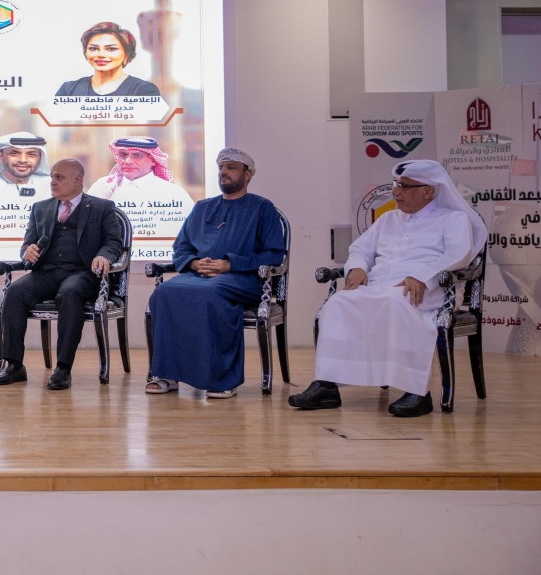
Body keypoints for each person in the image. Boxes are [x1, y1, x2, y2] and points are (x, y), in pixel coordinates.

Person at [289, 160, 487, 417]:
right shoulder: (388, 219)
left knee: (397, 301)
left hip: (429, 288)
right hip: (381, 284)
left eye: (404, 186)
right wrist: (358, 268)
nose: (395, 192)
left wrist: (421, 276)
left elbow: (458, 255)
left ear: (428, 191)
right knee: (338, 303)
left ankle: (417, 392)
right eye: (396, 185)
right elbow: (360, 249)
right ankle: (327, 385)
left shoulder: (453, 219)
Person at [146, 148, 286, 399]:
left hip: (244, 279)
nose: (224, 172)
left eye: (231, 167)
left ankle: (221, 380)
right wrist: (194, 263)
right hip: (198, 276)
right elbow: (181, 247)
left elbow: (274, 255)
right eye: (221, 167)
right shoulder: (201, 208)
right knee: (163, 293)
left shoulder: (263, 208)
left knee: (212, 293)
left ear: (248, 174)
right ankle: (167, 374)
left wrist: (229, 264)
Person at [0, 159, 125, 390]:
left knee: (69, 293)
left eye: (59, 177)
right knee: (14, 293)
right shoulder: (40, 208)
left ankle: (63, 368)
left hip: (83, 273)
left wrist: (104, 256)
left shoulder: (103, 208)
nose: (52, 182)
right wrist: (28, 252)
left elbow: (113, 242)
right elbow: (27, 245)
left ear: (78, 179)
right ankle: (14, 365)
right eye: (52, 177)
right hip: (47, 272)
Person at [88, 136, 194, 236]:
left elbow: (190, 235)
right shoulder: (101, 188)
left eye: (137, 155)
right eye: (123, 155)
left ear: (153, 160)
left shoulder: (175, 194)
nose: (128, 161)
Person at [54, 21, 161, 97]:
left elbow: (145, 128)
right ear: (86, 52)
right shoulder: (68, 90)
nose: (101, 54)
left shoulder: (144, 91)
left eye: (111, 49)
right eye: (93, 48)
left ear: (127, 54)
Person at [136, 0, 183, 96]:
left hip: (167, 46)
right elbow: (144, 26)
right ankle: (159, 80)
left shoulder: (173, 16)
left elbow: (175, 31)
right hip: (156, 45)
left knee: (166, 60)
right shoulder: (150, 17)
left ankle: (166, 80)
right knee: (157, 60)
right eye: (160, 3)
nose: (162, 6)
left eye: (164, 3)